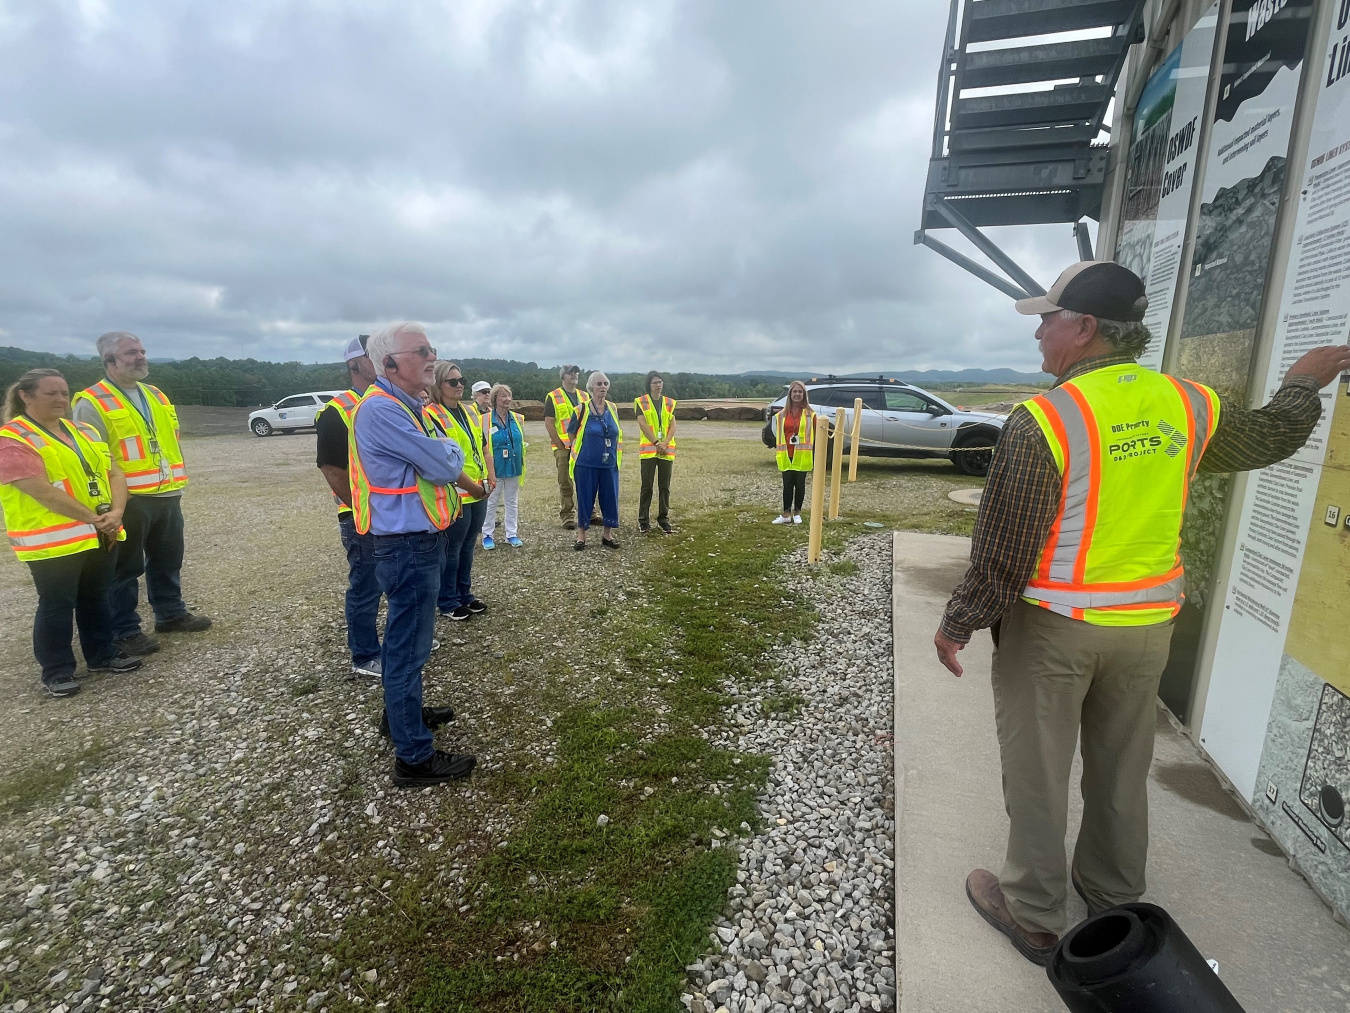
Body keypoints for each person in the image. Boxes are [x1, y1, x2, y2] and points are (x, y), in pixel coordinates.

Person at [931, 261, 1350, 965]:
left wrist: (958, 623)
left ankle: (1034, 911)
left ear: (1085, 328)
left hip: (1055, 630)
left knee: (1038, 772)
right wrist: (1302, 383)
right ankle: (1113, 895)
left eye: (1047, 318)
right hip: (1147, 629)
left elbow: (1005, 548)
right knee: (1122, 768)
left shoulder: (1045, 420)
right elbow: (1272, 436)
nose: (1038, 332)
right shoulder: (1188, 404)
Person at [349, 321, 484, 787]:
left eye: (432, 349)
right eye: (421, 351)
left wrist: (441, 451)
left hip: (414, 541)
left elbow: (441, 457)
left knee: (405, 641)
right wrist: (445, 451)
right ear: (389, 363)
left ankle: (401, 716)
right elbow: (445, 462)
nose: (432, 357)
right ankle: (413, 757)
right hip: (406, 545)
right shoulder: (382, 410)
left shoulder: (407, 405)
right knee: (409, 647)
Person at [1, 369, 142, 697]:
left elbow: (114, 473)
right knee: (57, 603)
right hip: (53, 540)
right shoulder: (12, 438)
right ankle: (57, 670)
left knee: (96, 596)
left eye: (64, 393)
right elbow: (40, 491)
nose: (61, 399)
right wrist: (96, 518)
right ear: (26, 396)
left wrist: (116, 513)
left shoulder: (84, 430)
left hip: (99, 531)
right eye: (51, 393)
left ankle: (102, 654)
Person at [72, 331, 211, 657]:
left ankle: (170, 613)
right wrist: (112, 503)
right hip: (130, 500)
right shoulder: (92, 402)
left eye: (142, 351)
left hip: (167, 493)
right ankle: (124, 630)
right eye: (132, 352)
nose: (141, 357)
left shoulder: (156, 395)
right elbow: (90, 458)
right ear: (110, 360)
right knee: (124, 568)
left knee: (168, 559)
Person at [315, 335, 385, 678]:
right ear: (354, 365)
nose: (382, 360)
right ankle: (365, 654)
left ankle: (400, 640)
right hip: (361, 516)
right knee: (366, 585)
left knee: (396, 580)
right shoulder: (336, 412)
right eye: (373, 355)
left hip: (391, 512)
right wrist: (361, 509)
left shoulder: (385, 401)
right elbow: (331, 469)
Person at [424, 360, 494, 621]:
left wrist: (490, 477)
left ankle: (465, 594)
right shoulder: (431, 415)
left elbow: (483, 446)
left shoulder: (469, 411)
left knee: (468, 546)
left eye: (461, 380)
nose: (459, 385)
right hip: (456, 492)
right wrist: (474, 487)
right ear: (438, 384)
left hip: (478, 489)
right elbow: (442, 461)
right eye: (452, 381)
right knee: (451, 549)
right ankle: (448, 600)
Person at [567, 371, 623, 550]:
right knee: (585, 498)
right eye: (599, 384)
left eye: (605, 383)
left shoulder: (612, 408)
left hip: (609, 463)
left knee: (610, 498)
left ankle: (607, 535)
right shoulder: (581, 410)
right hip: (586, 463)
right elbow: (572, 434)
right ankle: (581, 536)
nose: (603, 387)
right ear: (591, 387)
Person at [480, 383, 526, 549]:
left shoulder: (518, 419)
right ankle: (487, 535)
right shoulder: (484, 420)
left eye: (509, 395)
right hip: (494, 468)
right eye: (503, 396)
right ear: (494, 399)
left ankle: (511, 534)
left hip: (513, 467)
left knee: (512, 501)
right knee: (491, 502)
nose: (508, 399)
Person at [544, 364, 590, 529]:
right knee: (565, 482)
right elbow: (549, 423)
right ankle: (567, 516)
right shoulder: (553, 396)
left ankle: (590, 513)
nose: (574, 375)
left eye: (576, 372)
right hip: (564, 447)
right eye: (570, 373)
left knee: (586, 481)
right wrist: (559, 445)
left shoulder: (585, 396)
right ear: (563, 376)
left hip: (583, 446)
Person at [634, 370, 677, 534]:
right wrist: (656, 442)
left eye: (660, 382)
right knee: (647, 486)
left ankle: (663, 519)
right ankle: (643, 520)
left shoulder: (670, 403)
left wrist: (665, 443)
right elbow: (642, 424)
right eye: (654, 382)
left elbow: (673, 425)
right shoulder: (641, 402)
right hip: (649, 450)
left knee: (664, 486)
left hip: (666, 449)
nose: (658, 385)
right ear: (649, 385)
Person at [772, 380, 815, 525]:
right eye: (794, 391)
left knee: (800, 485)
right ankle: (786, 514)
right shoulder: (781, 415)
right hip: (786, 454)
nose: (797, 394)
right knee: (787, 485)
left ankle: (797, 512)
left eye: (800, 391)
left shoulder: (810, 414)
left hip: (802, 454)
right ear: (790, 394)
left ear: (804, 394)